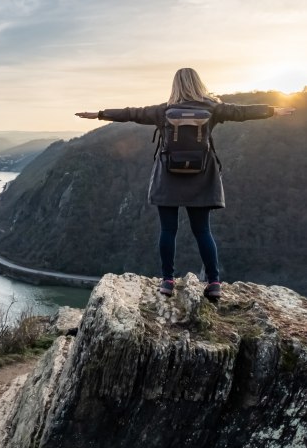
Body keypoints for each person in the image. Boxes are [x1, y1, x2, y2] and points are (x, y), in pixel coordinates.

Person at [76, 68, 295, 298]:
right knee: (202, 231)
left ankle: (167, 281)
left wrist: (99, 113)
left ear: (175, 86)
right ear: (199, 84)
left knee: (168, 230)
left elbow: (132, 113)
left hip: (169, 177)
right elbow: (241, 112)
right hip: (201, 176)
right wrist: (271, 110)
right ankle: (214, 283)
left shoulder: (163, 111)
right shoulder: (212, 109)